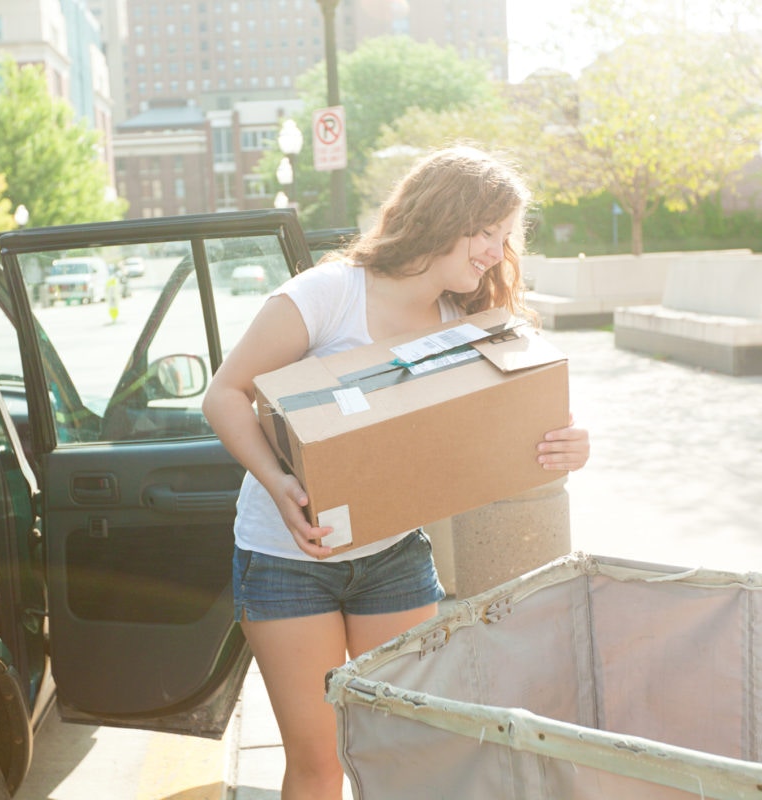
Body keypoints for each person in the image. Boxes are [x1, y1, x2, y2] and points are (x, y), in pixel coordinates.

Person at [201, 145, 591, 799]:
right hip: (287, 560)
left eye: (504, 238)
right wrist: (282, 485)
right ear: (444, 216)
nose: (497, 253)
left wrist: (568, 442)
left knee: (409, 756)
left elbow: (509, 429)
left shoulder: (457, 323)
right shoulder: (328, 296)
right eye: (486, 233)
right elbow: (224, 396)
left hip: (394, 557)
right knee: (321, 762)